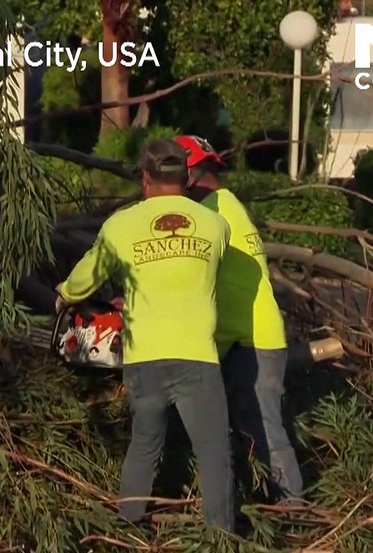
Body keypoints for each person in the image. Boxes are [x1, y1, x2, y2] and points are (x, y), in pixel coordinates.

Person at [54, 139, 238, 532]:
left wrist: (63, 296)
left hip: (144, 357)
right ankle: (222, 541)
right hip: (197, 356)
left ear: (145, 178)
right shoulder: (216, 226)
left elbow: (86, 278)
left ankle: (128, 528)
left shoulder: (121, 225)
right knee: (213, 452)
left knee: (145, 446)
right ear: (187, 177)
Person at [174, 135, 305, 504]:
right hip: (244, 336)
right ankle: (265, 500)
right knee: (249, 426)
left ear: (190, 174)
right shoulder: (224, 203)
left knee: (262, 428)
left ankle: (291, 508)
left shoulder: (211, 213)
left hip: (252, 339)